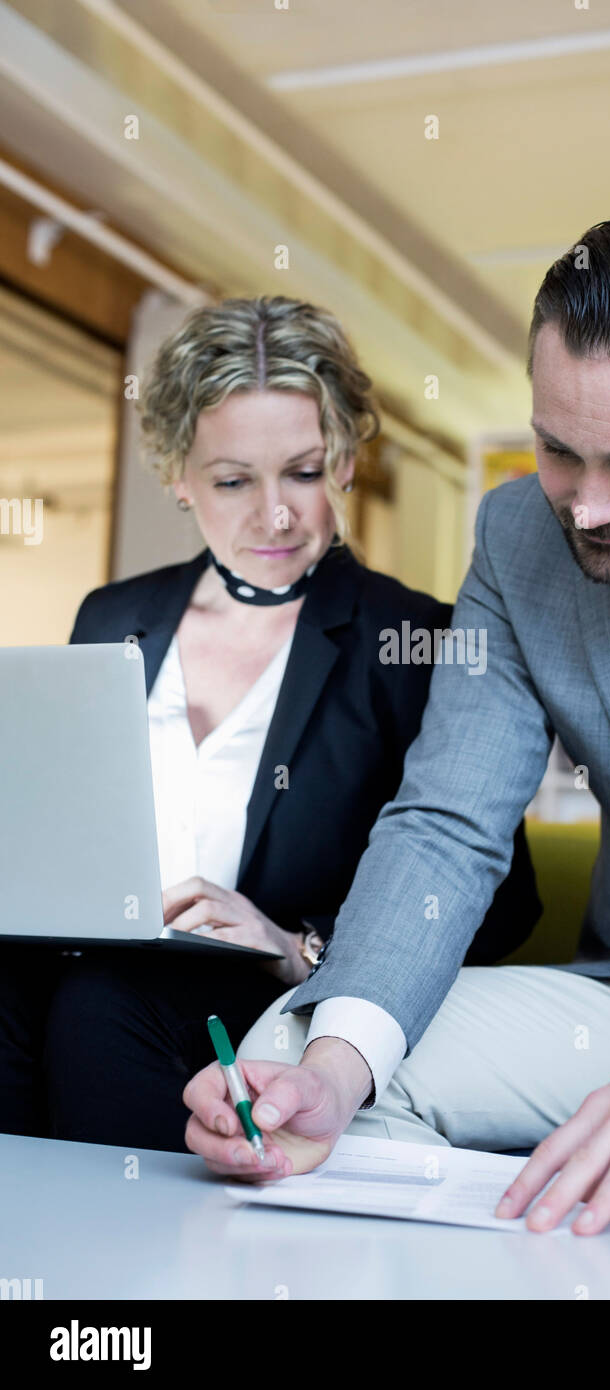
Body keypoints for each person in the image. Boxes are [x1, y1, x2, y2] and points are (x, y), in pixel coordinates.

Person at [183, 212, 610, 1233]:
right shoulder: (515, 532)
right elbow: (446, 823)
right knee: (290, 1065)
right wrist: (333, 1069)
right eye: (556, 450)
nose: (584, 508)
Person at [0, 296, 540, 1152]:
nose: (277, 515)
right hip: (81, 969)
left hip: (267, 995)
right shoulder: (112, 616)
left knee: (98, 1008)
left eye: (303, 471)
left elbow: (506, 905)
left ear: (349, 464)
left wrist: (300, 945)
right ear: (178, 474)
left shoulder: (411, 638)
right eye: (232, 481)